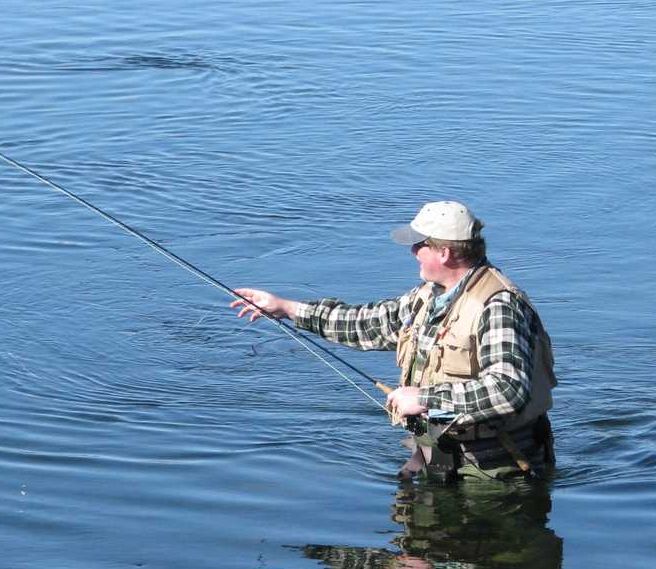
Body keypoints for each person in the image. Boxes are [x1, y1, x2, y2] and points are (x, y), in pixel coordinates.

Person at [231, 201, 556, 481]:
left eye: (420, 245)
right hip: (441, 457)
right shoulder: (430, 295)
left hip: (498, 472)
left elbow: (507, 389)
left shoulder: (498, 306)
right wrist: (286, 308)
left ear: (444, 253)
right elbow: (370, 324)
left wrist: (425, 398)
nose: (413, 252)